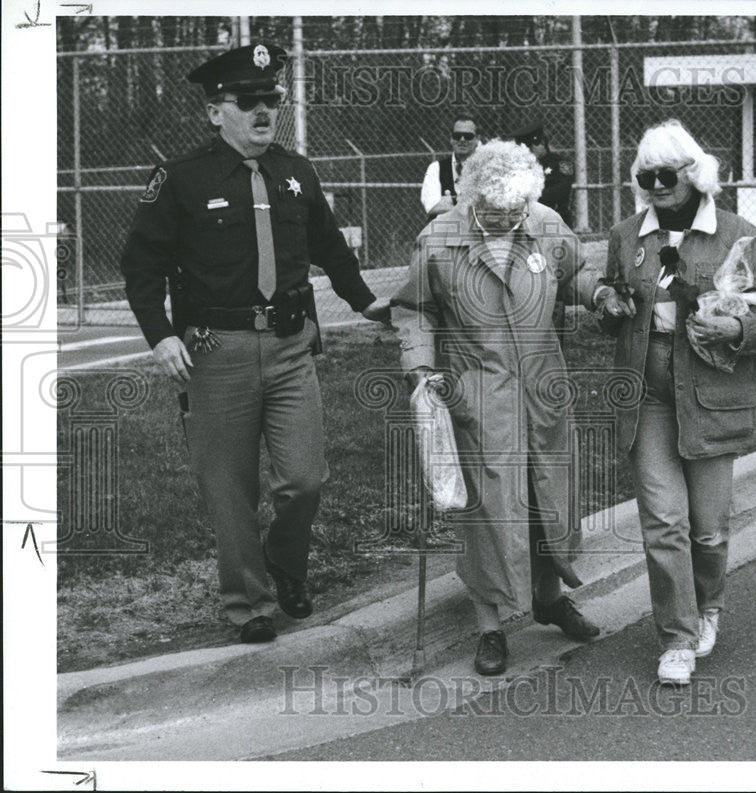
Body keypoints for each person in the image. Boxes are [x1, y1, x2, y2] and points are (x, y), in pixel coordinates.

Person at [121, 42, 390, 644]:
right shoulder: (181, 180)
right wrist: (160, 335)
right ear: (217, 112)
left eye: (273, 99)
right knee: (229, 488)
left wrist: (364, 301)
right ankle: (250, 604)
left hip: (293, 346)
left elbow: (330, 247)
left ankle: (284, 563)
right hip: (216, 350)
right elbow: (141, 264)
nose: (265, 111)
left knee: (305, 479)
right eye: (250, 102)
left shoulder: (295, 173)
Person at [392, 139, 605, 676]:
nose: (508, 220)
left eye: (516, 212)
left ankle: (549, 597)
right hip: (478, 395)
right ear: (471, 197)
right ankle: (489, 627)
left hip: (542, 389)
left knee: (547, 497)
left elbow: (575, 273)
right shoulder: (438, 239)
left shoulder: (546, 223)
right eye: (495, 212)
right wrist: (420, 367)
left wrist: (598, 294)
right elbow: (414, 309)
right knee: (487, 512)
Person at [593, 120, 756, 685]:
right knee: (663, 522)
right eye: (644, 176)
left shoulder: (737, 234)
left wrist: (732, 327)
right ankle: (676, 638)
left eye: (665, 176)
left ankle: (708, 606)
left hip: (710, 395)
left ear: (693, 174)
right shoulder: (628, 235)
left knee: (708, 528)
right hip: (647, 395)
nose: (654, 185)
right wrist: (609, 304)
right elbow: (610, 296)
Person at [512, 121, 575, 340]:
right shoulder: (518, 169)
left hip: (551, 231)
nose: (529, 152)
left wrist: (526, 196)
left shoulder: (558, 164)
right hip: (522, 232)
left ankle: (553, 341)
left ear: (540, 144)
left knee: (552, 287)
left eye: (532, 146)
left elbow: (558, 193)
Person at [420, 114, 480, 223]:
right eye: (457, 135)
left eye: (468, 136)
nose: (462, 140)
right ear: (451, 139)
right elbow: (431, 207)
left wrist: (451, 204)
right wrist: (471, 208)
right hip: (445, 233)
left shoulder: (486, 168)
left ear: (477, 139)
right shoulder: (436, 168)